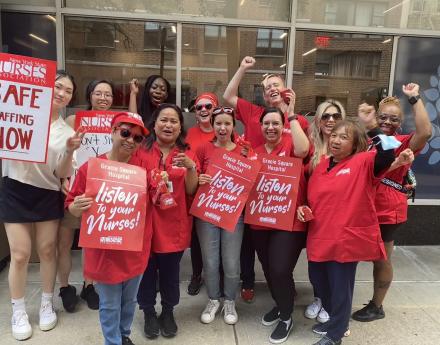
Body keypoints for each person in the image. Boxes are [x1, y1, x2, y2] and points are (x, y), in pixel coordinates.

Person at [297, 106, 402, 344]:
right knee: (320, 284)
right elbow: (312, 197)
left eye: (344, 137)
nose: (336, 139)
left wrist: (372, 125)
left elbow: (387, 153)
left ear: (355, 145)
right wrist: (303, 208)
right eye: (334, 135)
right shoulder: (322, 164)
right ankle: (335, 322)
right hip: (319, 236)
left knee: (340, 289)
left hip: (344, 240)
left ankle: (336, 334)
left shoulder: (363, 162)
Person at [0, 70, 84, 341]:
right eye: (57, 86)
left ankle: (47, 303)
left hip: (47, 192)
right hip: (14, 188)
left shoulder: (67, 131)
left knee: (48, 250)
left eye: (67, 91)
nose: (61, 93)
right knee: (21, 254)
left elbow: (61, 173)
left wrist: (71, 150)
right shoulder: (16, 114)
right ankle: (18, 309)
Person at [223, 56, 309, 301]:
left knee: (279, 256)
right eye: (266, 87)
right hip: (255, 192)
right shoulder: (254, 112)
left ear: (285, 89)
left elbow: (304, 152)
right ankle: (250, 281)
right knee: (250, 242)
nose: (271, 89)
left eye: (276, 84)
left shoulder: (298, 121)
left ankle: (282, 291)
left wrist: (290, 115)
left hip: (284, 198)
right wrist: (242, 68)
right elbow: (229, 96)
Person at [65, 112, 152, 345]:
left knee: (130, 301)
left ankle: (123, 335)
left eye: (137, 137)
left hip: (135, 250)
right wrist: (77, 205)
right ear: (112, 132)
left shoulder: (145, 167)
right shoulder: (90, 168)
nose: (130, 140)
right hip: (105, 252)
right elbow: (71, 206)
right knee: (110, 304)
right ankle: (112, 341)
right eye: (125, 133)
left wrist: (164, 185)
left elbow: (160, 197)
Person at [352, 83, 432, 322]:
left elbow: (426, 132)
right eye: (383, 116)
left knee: (382, 258)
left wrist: (414, 98)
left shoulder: (404, 143)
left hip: (387, 208)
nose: (388, 121)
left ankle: (377, 306)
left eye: (394, 119)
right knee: (348, 255)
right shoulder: (365, 139)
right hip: (360, 206)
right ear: (376, 116)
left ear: (400, 123)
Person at [136, 103, 198, 340]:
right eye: (164, 120)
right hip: (144, 224)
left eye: (174, 121)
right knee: (146, 272)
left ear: (181, 126)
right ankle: (149, 312)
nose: (168, 125)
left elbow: (191, 188)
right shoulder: (140, 149)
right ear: (154, 123)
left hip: (174, 225)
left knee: (171, 274)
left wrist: (191, 168)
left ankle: (169, 311)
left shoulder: (186, 153)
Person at [251, 106, 309, 344]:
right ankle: (280, 303)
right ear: (261, 126)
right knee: (268, 268)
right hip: (260, 221)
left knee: (280, 269)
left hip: (290, 221)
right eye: (266, 123)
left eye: (276, 123)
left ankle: (286, 316)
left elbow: (305, 149)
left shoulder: (292, 146)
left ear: (283, 125)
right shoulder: (253, 152)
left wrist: (292, 114)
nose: (271, 127)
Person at [58, 79, 115, 312]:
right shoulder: (74, 120)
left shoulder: (117, 123)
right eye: (98, 93)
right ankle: (64, 287)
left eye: (108, 94)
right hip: (75, 187)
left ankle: (89, 285)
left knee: (92, 243)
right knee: (65, 241)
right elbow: (63, 152)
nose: (103, 98)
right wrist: (63, 177)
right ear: (90, 95)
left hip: (102, 190)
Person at [195, 106, 245, 326]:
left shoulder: (244, 150)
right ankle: (214, 299)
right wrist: (199, 179)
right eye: (218, 123)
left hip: (234, 214)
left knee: (232, 261)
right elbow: (192, 179)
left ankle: (230, 300)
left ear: (234, 125)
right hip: (207, 212)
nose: (223, 128)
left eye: (227, 123)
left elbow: (251, 181)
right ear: (212, 126)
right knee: (210, 261)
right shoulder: (202, 149)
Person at [304, 100, 346, 324]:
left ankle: (332, 304)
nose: (331, 120)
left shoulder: (351, 148)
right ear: (318, 122)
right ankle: (320, 297)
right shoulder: (311, 148)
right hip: (316, 218)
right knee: (316, 264)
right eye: (325, 116)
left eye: (336, 116)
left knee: (336, 266)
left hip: (340, 218)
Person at [185, 92, 219, 296]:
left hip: (222, 198)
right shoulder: (189, 134)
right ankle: (197, 274)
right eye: (199, 108)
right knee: (197, 240)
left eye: (209, 106)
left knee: (220, 241)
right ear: (196, 113)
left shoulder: (226, 131)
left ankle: (219, 275)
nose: (204, 110)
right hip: (198, 195)